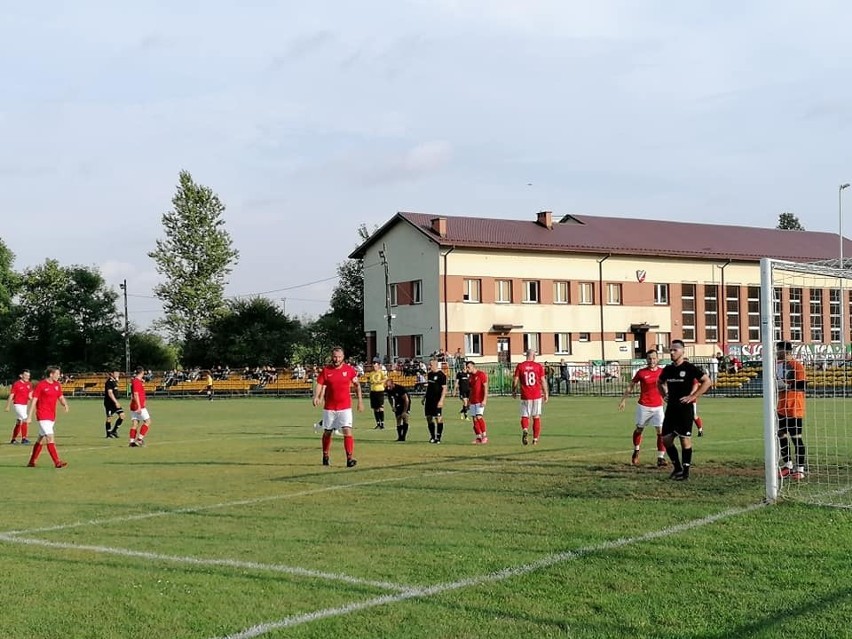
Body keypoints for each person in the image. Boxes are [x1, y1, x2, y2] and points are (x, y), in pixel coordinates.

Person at [657, 340, 711, 480]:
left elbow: (707, 381)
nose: (672, 352)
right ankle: (677, 467)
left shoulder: (689, 368)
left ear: (682, 351)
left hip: (685, 409)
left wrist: (693, 396)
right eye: (670, 350)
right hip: (671, 409)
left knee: (684, 440)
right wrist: (664, 395)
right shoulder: (668, 369)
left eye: (675, 350)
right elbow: (659, 382)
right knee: (666, 439)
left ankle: (685, 472)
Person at [312, 347, 363, 467]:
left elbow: (357, 385)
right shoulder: (326, 370)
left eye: (339, 357)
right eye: (335, 357)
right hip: (329, 407)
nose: (337, 359)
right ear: (332, 357)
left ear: (343, 357)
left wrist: (360, 401)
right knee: (327, 432)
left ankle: (349, 458)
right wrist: (316, 396)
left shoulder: (349, 370)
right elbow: (319, 384)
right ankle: (325, 455)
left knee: (347, 430)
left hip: (345, 407)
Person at [619, 349, 666, 467]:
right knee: (639, 429)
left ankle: (660, 458)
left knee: (661, 432)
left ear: (658, 359)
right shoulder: (641, 372)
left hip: (658, 407)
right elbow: (631, 386)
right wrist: (624, 400)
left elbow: (666, 385)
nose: (652, 360)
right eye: (649, 358)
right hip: (643, 406)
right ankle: (636, 450)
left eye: (654, 358)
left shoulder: (663, 372)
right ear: (646, 359)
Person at [26, 365, 69, 468]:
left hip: (51, 416)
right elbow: (34, 400)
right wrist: (29, 416)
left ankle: (32, 462)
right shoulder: (41, 385)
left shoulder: (57, 385)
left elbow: (60, 396)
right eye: (57, 374)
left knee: (40, 438)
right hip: (42, 415)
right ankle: (57, 462)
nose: (59, 376)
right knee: (50, 437)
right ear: (51, 374)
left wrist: (65, 404)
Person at [776, 340, 807, 480]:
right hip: (782, 406)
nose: (776, 353)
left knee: (796, 437)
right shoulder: (777, 365)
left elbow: (802, 386)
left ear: (786, 352)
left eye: (778, 350)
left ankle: (800, 469)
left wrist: (785, 386)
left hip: (795, 406)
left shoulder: (797, 365)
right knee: (781, 434)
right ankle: (787, 465)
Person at [512, 349, 548, 445]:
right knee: (536, 417)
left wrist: (514, 390)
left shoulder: (520, 366)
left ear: (526, 355)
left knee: (525, 415)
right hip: (536, 394)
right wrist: (546, 393)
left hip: (525, 395)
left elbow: (515, 380)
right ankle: (535, 440)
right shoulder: (538, 366)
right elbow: (543, 380)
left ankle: (525, 429)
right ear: (534, 356)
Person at [423, 358, 448, 443]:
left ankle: (438, 437)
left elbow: (444, 388)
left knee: (438, 418)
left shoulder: (441, 375)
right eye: (429, 365)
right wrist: (424, 397)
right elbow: (429, 387)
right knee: (429, 417)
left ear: (435, 365)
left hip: (437, 400)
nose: (429, 366)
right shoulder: (429, 374)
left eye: (431, 365)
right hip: (429, 400)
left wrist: (441, 400)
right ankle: (432, 436)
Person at [5, 369, 33, 445]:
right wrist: (7, 406)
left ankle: (13, 439)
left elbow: (30, 396)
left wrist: (34, 401)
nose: (27, 377)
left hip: (24, 405)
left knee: (19, 422)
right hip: (17, 404)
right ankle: (24, 439)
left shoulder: (29, 384)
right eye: (26, 375)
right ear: (21, 375)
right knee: (25, 419)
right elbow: (12, 395)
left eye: (28, 376)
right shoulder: (16, 384)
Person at [466, 361, 489, 444]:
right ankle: (478, 437)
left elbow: (485, 387)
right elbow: (471, 390)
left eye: (468, 367)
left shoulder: (481, 374)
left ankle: (484, 436)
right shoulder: (470, 377)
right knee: (474, 419)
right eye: (467, 367)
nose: (467, 369)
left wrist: (484, 399)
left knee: (479, 417)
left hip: (480, 400)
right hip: (473, 400)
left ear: (473, 366)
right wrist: (469, 401)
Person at [129, 366, 152, 447]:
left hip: (134, 405)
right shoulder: (136, 381)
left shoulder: (136, 381)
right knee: (148, 421)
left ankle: (132, 442)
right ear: (142, 372)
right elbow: (135, 394)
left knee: (135, 423)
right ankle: (139, 439)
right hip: (138, 406)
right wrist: (139, 406)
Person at [103, 370, 124, 439]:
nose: (118, 374)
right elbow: (110, 393)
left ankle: (114, 431)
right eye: (116, 373)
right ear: (112, 374)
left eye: (118, 373)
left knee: (122, 416)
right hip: (109, 403)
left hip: (114, 403)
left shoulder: (114, 381)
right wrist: (116, 402)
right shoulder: (109, 382)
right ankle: (108, 434)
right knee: (109, 418)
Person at [367, 360, 388, 429]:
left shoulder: (381, 372)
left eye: (375, 366)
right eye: (373, 366)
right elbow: (370, 381)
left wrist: (380, 381)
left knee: (380, 407)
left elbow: (386, 379)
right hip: (373, 391)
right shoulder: (371, 373)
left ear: (378, 366)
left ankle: (382, 423)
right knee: (375, 408)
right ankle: (378, 423)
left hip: (380, 391)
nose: (374, 367)